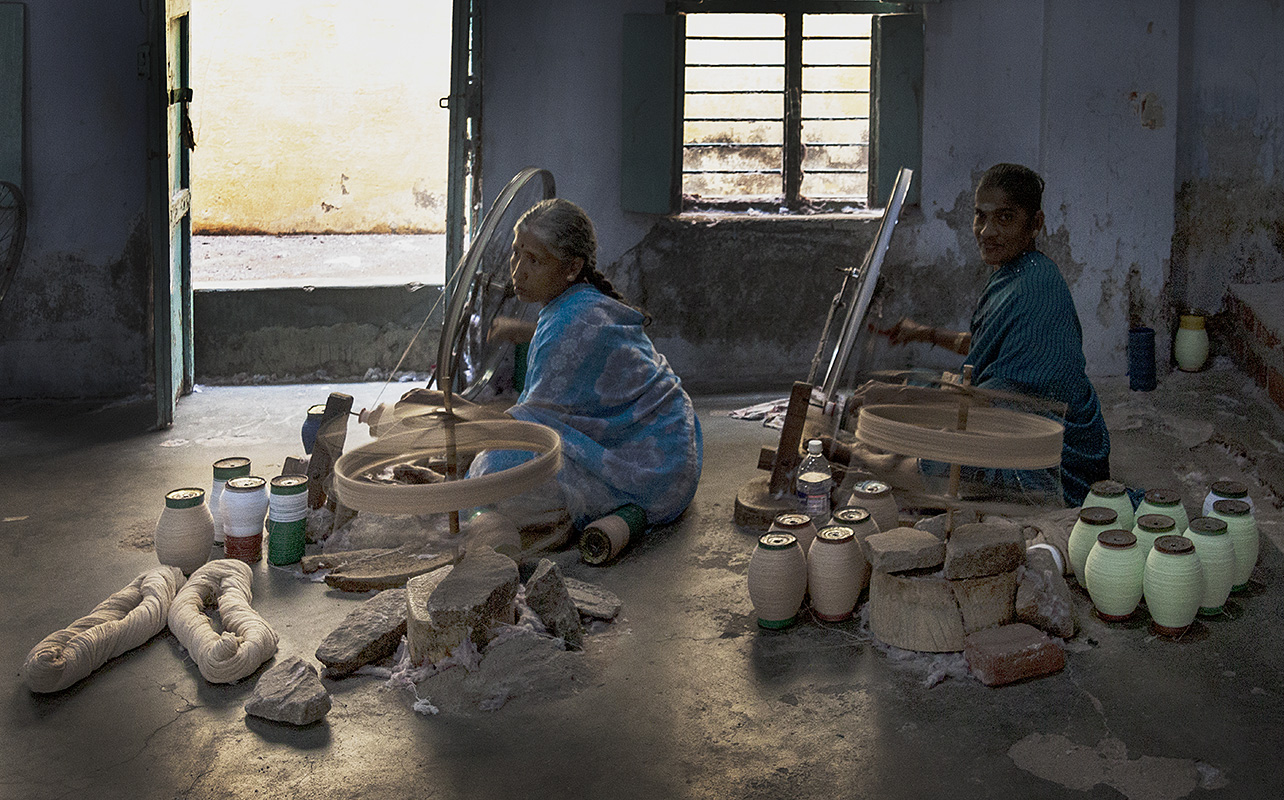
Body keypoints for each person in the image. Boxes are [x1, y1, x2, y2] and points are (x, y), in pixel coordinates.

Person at [449, 198, 703, 543]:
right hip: (673, 440)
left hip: (654, 467)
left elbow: (528, 428)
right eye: (515, 253)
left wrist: (450, 409)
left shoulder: (569, 321)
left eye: (533, 260)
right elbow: (569, 345)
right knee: (488, 458)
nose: (517, 270)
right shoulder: (579, 302)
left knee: (496, 466)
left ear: (572, 268)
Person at [886, 163, 1111, 506]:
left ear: (1035, 224)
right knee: (920, 396)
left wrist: (900, 402)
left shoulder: (1034, 286)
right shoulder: (1015, 272)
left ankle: (853, 458)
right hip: (1015, 402)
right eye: (980, 216)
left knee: (939, 451)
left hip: (1056, 441)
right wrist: (923, 334)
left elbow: (998, 394)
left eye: (1004, 218)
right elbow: (986, 349)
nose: (986, 231)